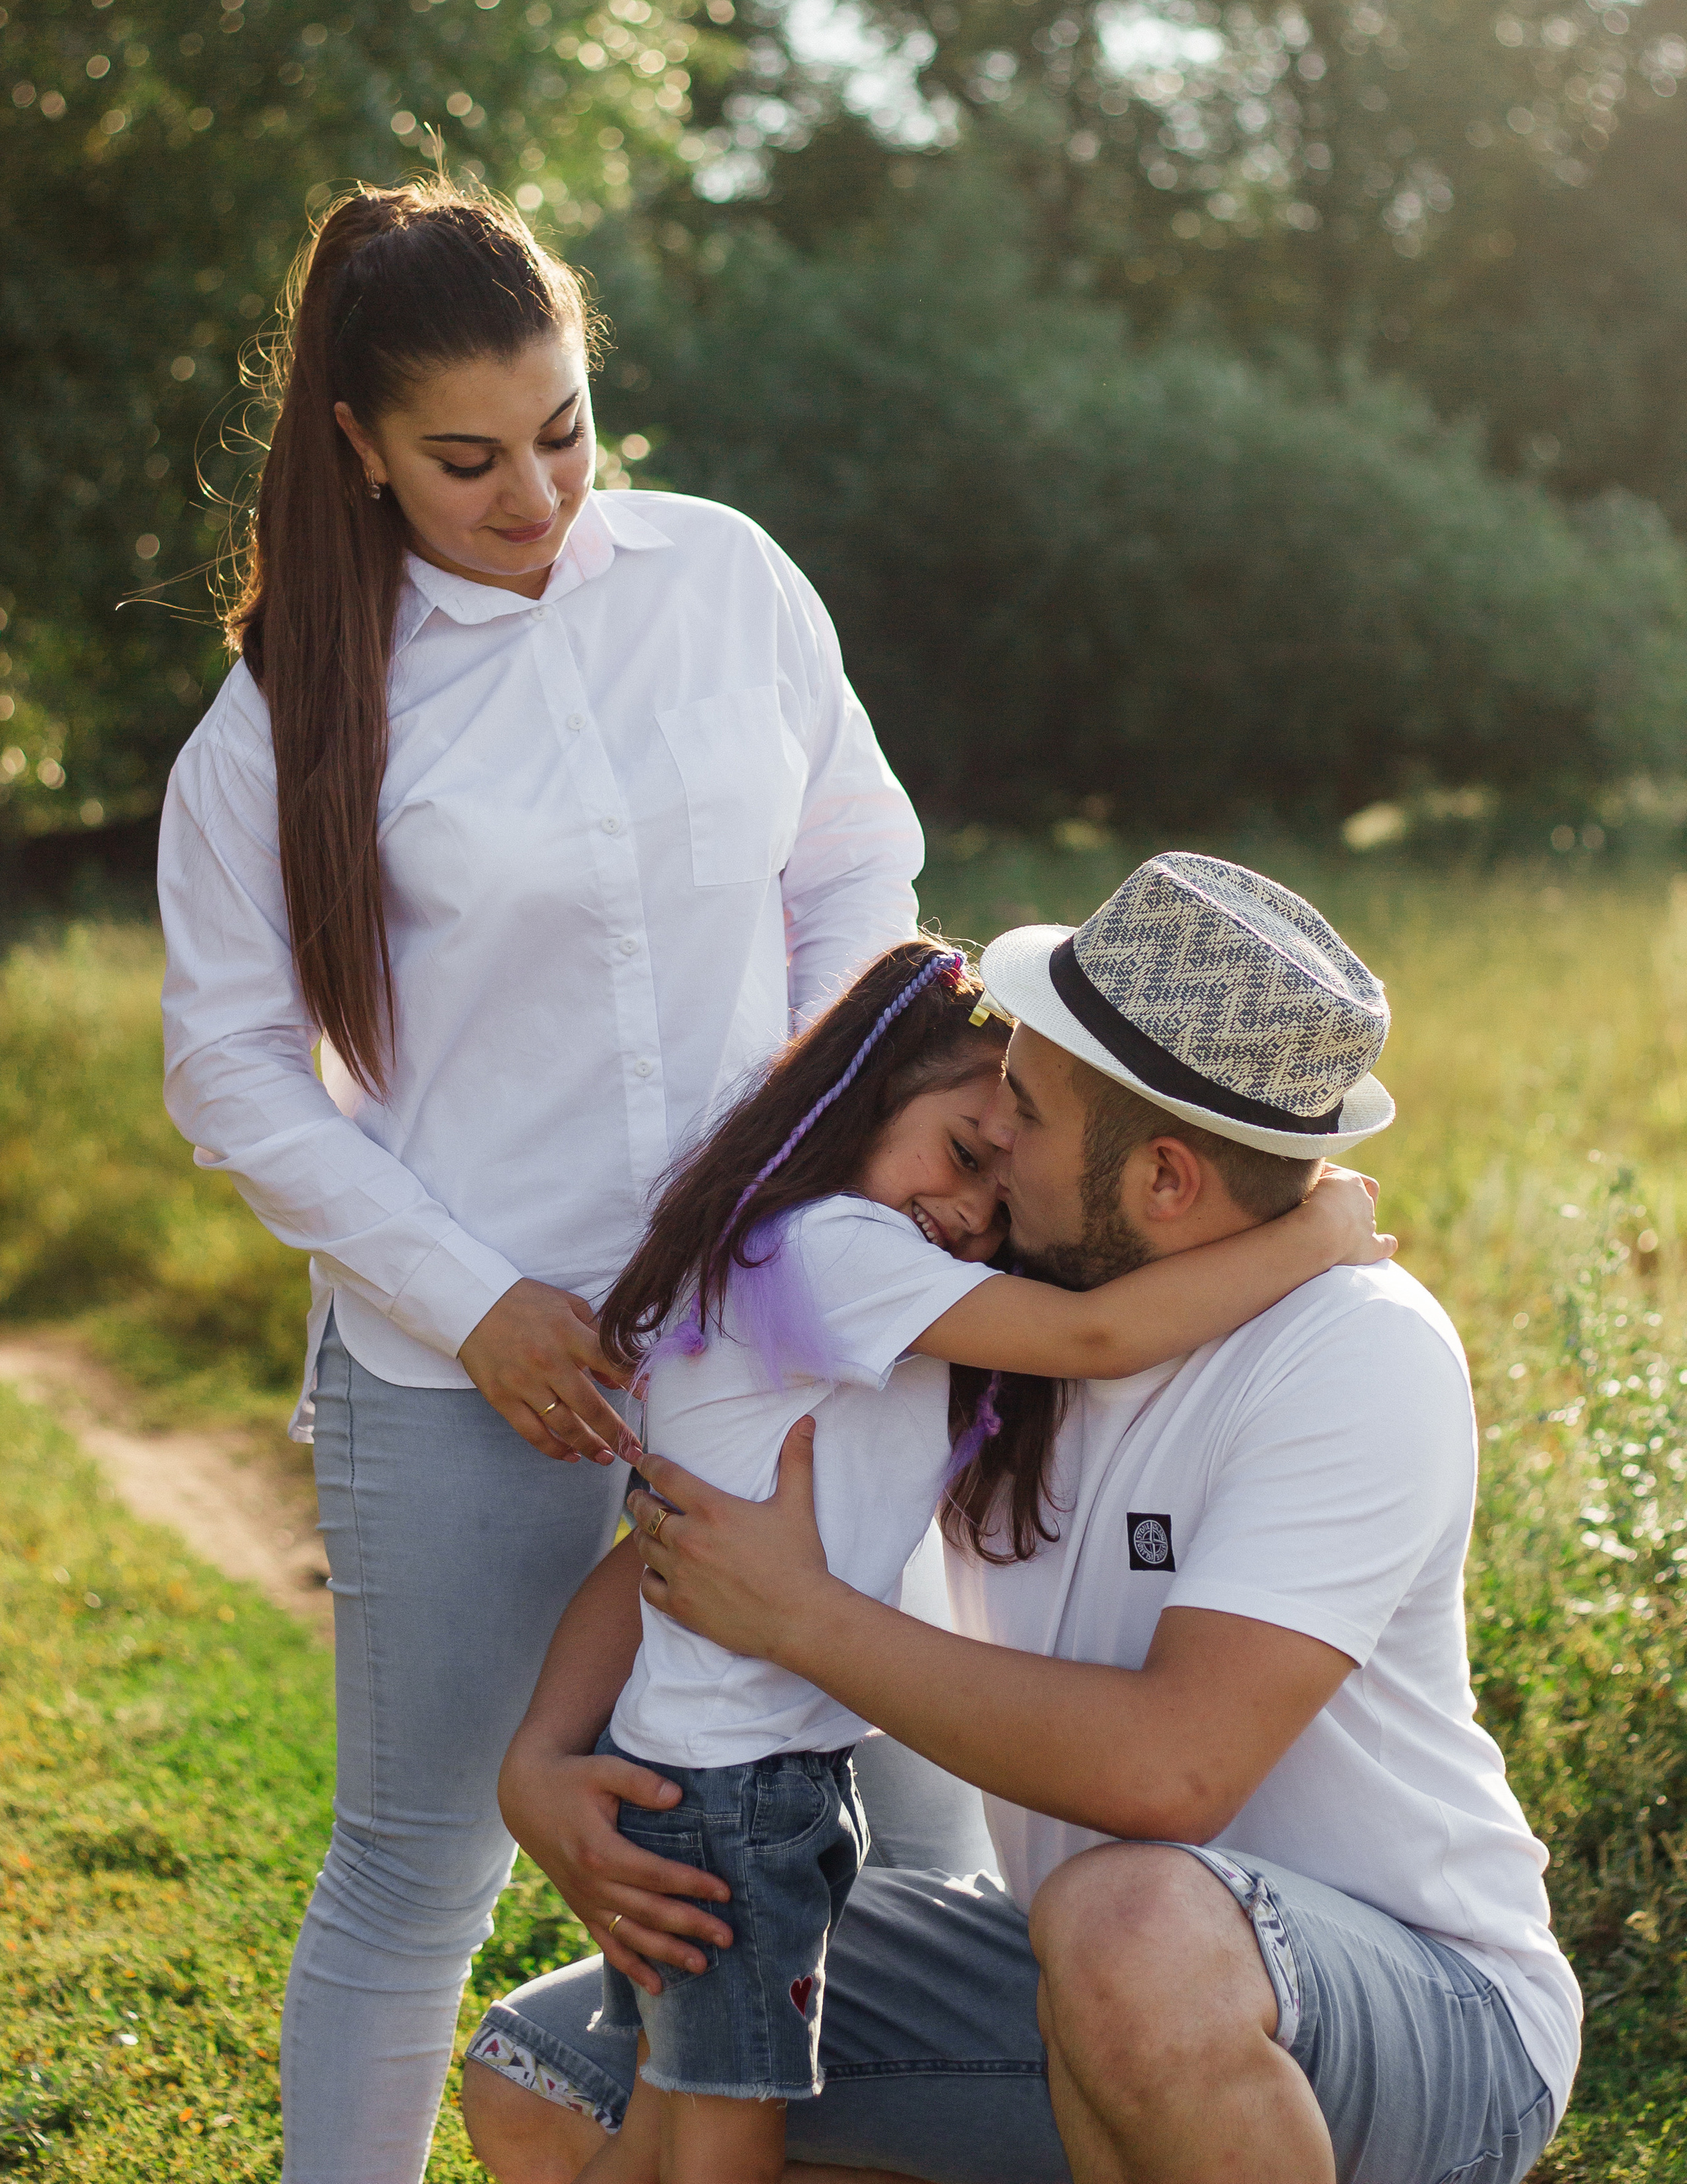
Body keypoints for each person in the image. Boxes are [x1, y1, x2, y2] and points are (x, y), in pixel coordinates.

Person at [155, 176, 938, 2184]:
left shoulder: (728, 581)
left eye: (568, 428)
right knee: (418, 1863)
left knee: (917, 1811)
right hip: (475, 1362)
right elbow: (231, 1067)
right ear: (357, 446)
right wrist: (468, 1299)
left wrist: (810, 1127)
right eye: (469, 459)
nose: (536, 495)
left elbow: (855, 859)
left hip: (776, 1328)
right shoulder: (280, 727)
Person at [463, 854, 1581, 2184]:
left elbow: (1168, 1777)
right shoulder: (990, 1317)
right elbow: (720, 1523)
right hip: (1087, 1974)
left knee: (1128, 1928)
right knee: (548, 2085)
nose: (993, 1135)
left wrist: (803, 1624)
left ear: (1163, 1181)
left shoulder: (1351, 1351)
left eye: (1027, 1118)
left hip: (1419, 2018)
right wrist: (538, 1758)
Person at [573, 934, 1389, 2184]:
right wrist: (1322, 1225)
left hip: (738, 1765)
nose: (970, 1214)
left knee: (667, 2114)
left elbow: (679, 1535)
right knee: (728, 2128)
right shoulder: (832, 1252)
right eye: (967, 1149)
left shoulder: (839, 1269)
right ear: (861, 1092)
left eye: (999, 1196)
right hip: (739, 1783)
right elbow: (1102, 1331)